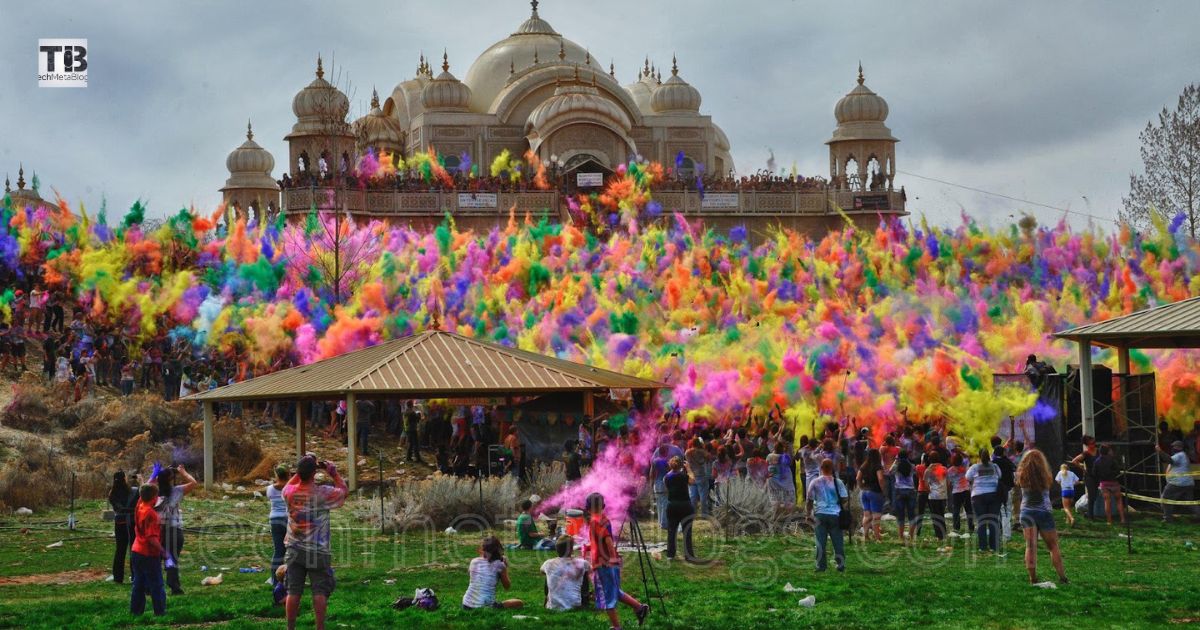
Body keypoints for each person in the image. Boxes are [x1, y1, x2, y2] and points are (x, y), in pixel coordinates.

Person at [283, 454, 349, 630]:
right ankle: (320, 627)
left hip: (294, 547)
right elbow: (344, 491)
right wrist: (333, 473)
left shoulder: (289, 492)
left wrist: (303, 466)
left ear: (298, 473)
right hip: (318, 550)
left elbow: (289, 484)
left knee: (293, 590)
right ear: (314, 473)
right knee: (319, 590)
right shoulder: (323, 492)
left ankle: (290, 627)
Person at [585, 492, 649, 628]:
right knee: (615, 591)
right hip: (609, 562)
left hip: (604, 564)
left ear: (588, 508)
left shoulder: (595, 522)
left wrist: (612, 558)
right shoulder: (603, 519)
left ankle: (617, 627)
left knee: (608, 597)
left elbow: (608, 540)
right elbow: (602, 540)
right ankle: (640, 608)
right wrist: (590, 546)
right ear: (603, 506)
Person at [1015, 449, 1069, 584]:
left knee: (1030, 546)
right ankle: (1062, 577)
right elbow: (1049, 485)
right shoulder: (1046, 475)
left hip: (1027, 512)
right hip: (1044, 512)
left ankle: (1033, 578)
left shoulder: (1021, 474)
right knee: (1053, 546)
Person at [155, 464, 197, 595]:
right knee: (171, 559)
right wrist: (183, 472)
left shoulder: (153, 493)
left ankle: (151, 586)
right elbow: (193, 482)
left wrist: (155, 474)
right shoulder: (177, 491)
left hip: (158, 530)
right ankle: (174, 586)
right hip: (174, 530)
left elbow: (143, 488)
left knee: (155, 559)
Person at [130, 483, 166, 617]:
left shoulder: (140, 505)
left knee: (138, 583)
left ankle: (136, 611)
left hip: (136, 550)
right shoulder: (151, 514)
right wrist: (163, 551)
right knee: (156, 584)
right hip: (148, 553)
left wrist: (152, 477)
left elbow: (143, 491)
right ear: (154, 497)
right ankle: (160, 612)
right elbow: (151, 538)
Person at [805, 458, 847, 572]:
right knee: (837, 541)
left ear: (821, 468)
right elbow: (844, 498)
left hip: (820, 514)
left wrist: (808, 514)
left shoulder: (815, 482)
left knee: (820, 541)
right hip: (835, 514)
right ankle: (840, 564)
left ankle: (821, 566)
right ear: (832, 468)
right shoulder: (838, 482)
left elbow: (809, 500)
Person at [462, 535, 524, 609]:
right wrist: (505, 567)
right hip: (485, 606)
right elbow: (507, 586)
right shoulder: (499, 565)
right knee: (519, 603)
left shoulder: (474, 561)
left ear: (482, 549)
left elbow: (472, 575)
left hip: (466, 604)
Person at [967, 447, 1003, 553]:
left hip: (978, 496)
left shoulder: (975, 467)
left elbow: (967, 477)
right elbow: (1000, 476)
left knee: (981, 521)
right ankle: (994, 546)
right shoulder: (995, 466)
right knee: (993, 520)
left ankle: (982, 547)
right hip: (994, 495)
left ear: (979, 456)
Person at [541, 537, 591, 611]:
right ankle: (585, 599)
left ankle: (548, 599)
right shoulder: (582, 563)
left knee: (548, 572)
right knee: (584, 573)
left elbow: (541, 571)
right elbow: (591, 570)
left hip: (553, 606)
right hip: (575, 605)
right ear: (571, 550)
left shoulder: (548, 563)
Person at [664, 456, 696, 561]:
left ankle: (670, 554)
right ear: (681, 465)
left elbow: (667, 488)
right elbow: (692, 481)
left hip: (672, 505)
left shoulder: (667, 477)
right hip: (685, 505)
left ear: (670, 465)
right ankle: (688, 555)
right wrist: (689, 469)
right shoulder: (683, 476)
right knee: (687, 530)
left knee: (671, 531)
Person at [1159, 440, 1199, 522]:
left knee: (1166, 499)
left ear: (1180, 447)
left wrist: (1160, 451)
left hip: (1177, 483)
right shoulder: (1184, 455)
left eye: (1174, 446)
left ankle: (1168, 518)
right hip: (1188, 483)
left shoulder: (1179, 455)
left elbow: (1169, 460)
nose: (1173, 448)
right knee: (1189, 502)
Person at [108, 471, 135, 584]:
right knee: (133, 550)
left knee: (120, 550)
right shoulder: (132, 491)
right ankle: (135, 576)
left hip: (119, 523)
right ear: (125, 478)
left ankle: (118, 577)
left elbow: (118, 508)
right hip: (132, 523)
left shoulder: (112, 493)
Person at [855, 448, 885, 542]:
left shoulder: (864, 465)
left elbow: (858, 478)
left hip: (864, 492)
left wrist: (861, 487)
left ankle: (866, 536)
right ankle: (877, 537)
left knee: (867, 516)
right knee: (876, 516)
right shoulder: (877, 466)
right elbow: (880, 479)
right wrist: (883, 490)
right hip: (875, 492)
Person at [266, 465, 290, 582]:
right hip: (289, 519)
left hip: (275, 519)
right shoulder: (290, 487)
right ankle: (292, 577)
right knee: (293, 550)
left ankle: (274, 579)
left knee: (278, 550)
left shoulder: (270, 488)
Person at [1093, 444, 1126, 525]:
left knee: (1107, 502)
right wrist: (1113, 475)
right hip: (1114, 482)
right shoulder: (1112, 460)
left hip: (1104, 484)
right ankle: (1122, 519)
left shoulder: (1097, 461)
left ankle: (1109, 521)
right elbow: (1118, 470)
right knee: (1119, 500)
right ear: (1107, 451)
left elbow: (1094, 473)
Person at [923, 451, 950, 549]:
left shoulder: (928, 470)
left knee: (935, 516)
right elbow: (948, 483)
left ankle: (939, 536)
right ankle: (944, 534)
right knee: (941, 515)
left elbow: (925, 484)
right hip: (943, 495)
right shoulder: (944, 469)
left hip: (933, 496)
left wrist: (930, 490)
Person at [890, 450, 918, 545]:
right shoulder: (912, 466)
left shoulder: (896, 466)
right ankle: (910, 535)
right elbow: (915, 473)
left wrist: (895, 461)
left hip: (899, 491)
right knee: (911, 515)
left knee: (900, 516)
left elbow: (889, 472)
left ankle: (901, 537)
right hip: (910, 490)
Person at [948, 452, 975, 535]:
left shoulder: (950, 470)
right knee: (969, 510)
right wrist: (959, 451)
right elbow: (968, 457)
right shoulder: (965, 467)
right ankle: (971, 527)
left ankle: (956, 528)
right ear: (961, 460)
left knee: (956, 510)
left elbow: (949, 483)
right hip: (966, 490)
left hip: (956, 492)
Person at [686, 438, 713, 516]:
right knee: (703, 496)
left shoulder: (687, 452)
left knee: (692, 496)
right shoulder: (702, 452)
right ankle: (704, 513)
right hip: (701, 475)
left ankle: (692, 513)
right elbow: (709, 458)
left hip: (691, 476)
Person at [648, 446, 671, 530]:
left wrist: (651, 485)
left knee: (659, 504)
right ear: (665, 452)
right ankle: (664, 524)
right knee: (665, 504)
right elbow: (669, 472)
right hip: (664, 484)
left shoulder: (654, 461)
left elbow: (651, 474)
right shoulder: (666, 462)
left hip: (656, 484)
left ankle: (660, 522)